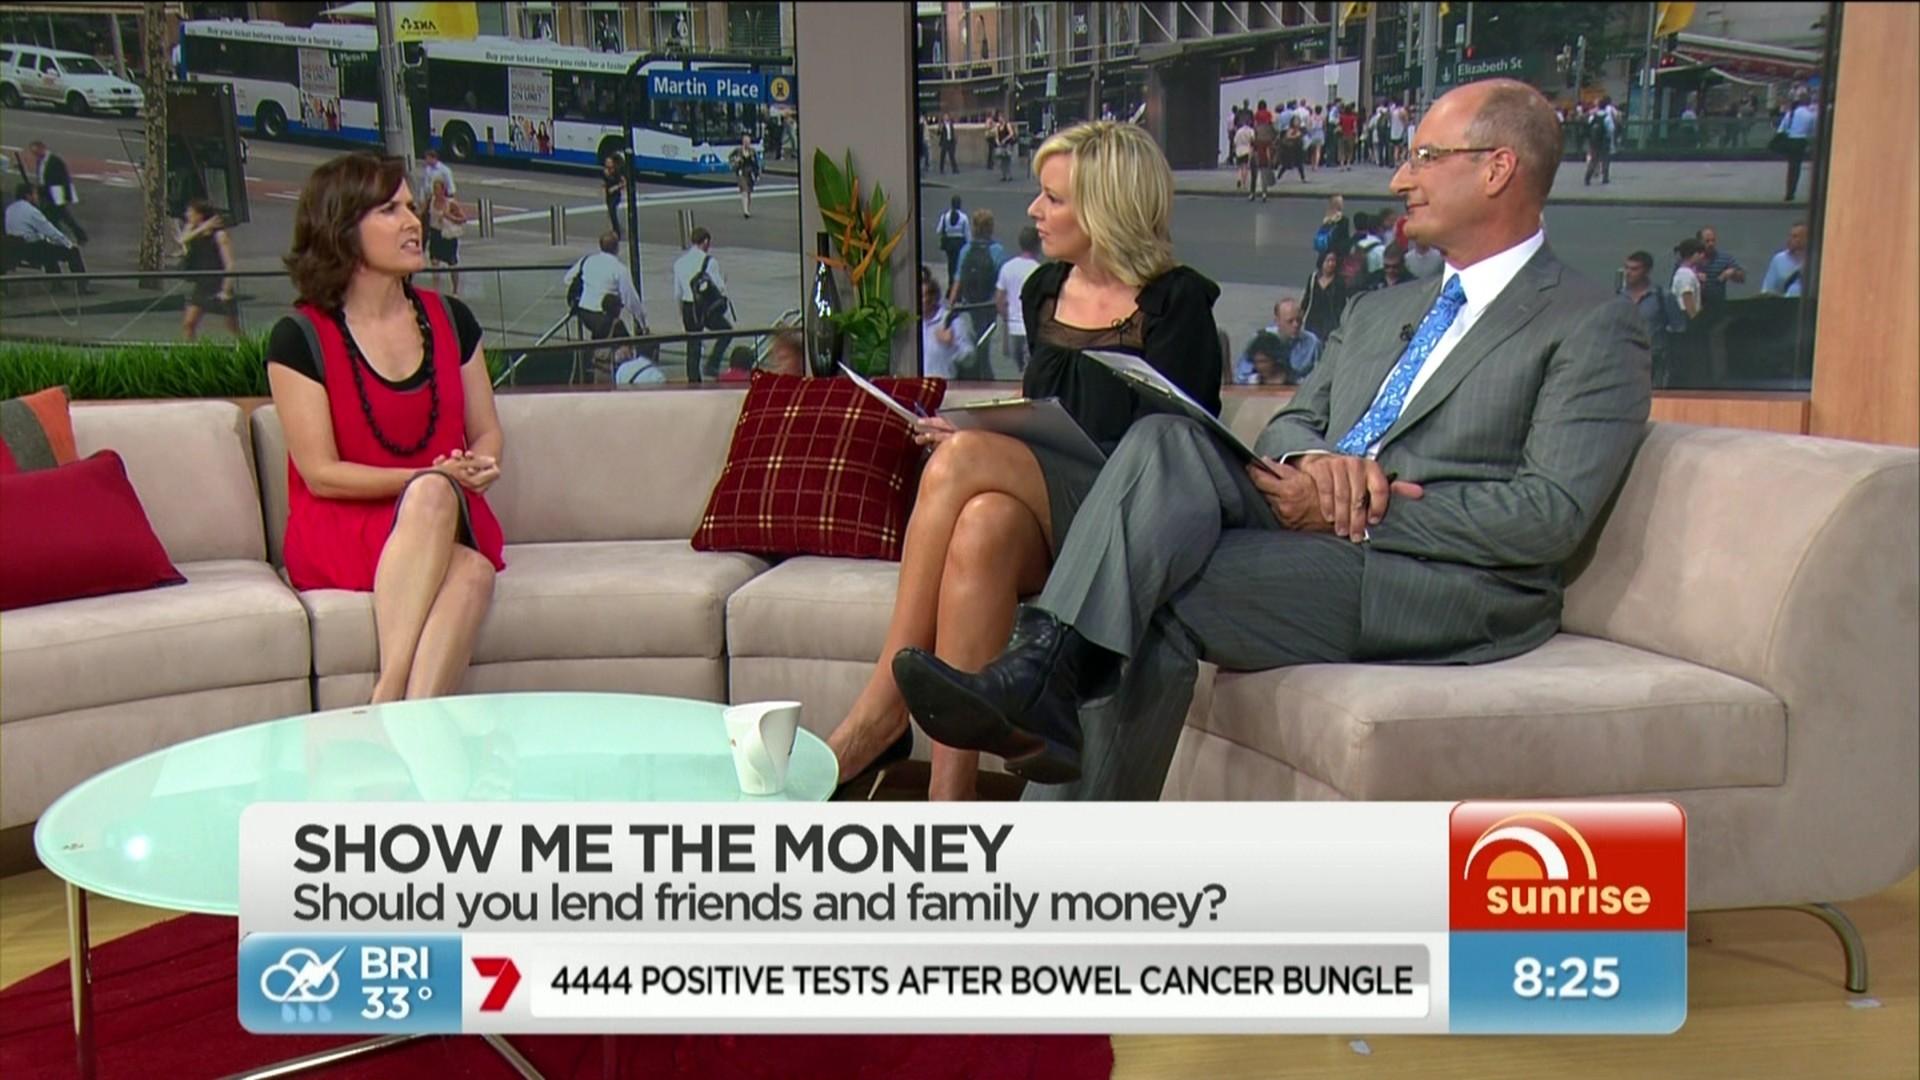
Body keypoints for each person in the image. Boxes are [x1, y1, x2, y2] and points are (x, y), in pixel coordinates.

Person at [891, 78, 1651, 799]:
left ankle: (1048, 770)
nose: (1400, 179)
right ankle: (1046, 684)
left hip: (1438, 578)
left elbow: (1549, 515)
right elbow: (1293, 421)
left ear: (1497, 169)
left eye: (1425, 157)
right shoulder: (1381, 310)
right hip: (1310, 537)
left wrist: (1360, 507)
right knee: (1166, 436)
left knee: (1145, 587)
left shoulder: (1588, 323)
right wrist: (1312, 462)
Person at [824, 120, 1222, 802]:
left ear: (1106, 207)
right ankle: (949, 805)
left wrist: (980, 449)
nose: (1034, 210)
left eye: (1053, 199)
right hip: (1049, 509)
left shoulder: (1178, 304)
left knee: (959, 463)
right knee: (981, 525)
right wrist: (989, 428)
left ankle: (885, 703)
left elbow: (1178, 459)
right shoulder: (1044, 290)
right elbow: (1051, 406)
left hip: (1125, 528)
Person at [266, 152, 505, 704]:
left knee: (473, 569)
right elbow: (321, 474)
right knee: (438, 508)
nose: (413, 222)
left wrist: (479, 464)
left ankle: (395, 716)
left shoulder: (451, 319)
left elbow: (487, 431)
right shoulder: (299, 337)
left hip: (448, 517)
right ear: (343, 229)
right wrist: (429, 479)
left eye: (411, 208)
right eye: (390, 210)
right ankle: (393, 686)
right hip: (345, 525)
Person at [949, 208, 1007, 376]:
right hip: (988, 306)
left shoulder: (965, 250)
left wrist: (952, 303)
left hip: (969, 306)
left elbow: (958, 278)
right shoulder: (997, 250)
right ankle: (984, 375)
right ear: (990, 227)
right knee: (984, 344)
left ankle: (977, 373)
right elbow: (1001, 282)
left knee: (974, 339)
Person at [565, 230, 647, 345]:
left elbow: (567, 278)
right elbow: (630, 299)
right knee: (624, 342)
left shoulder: (588, 260)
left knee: (601, 338)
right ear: (617, 247)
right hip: (604, 314)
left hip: (584, 311)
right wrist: (642, 321)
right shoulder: (619, 269)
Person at [673, 225, 732, 381]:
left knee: (693, 344)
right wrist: (724, 283)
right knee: (726, 332)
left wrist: (681, 315)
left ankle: (693, 379)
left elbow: (677, 293)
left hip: (688, 305)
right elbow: (718, 286)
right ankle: (712, 363)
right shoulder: (709, 261)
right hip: (705, 307)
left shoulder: (679, 263)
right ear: (705, 242)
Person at [1620, 249, 1684, 388]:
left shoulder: (1663, 296)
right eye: (1626, 268)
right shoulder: (1618, 297)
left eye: (1634, 269)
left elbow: (1678, 328)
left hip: (1654, 360)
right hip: (1624, 359)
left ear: (1647, 271)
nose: (1628, 273)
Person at [179, 199, 240, 340]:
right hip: (203, 284)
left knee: (233, 327)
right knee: (189, 324)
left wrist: (226, 290)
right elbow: (183, 240)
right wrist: (202, 227)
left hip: (218, 283)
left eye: (191, 212)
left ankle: (247, 349)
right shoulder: (194, 232)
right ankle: (190, 351)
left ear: (200, 215)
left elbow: (230, 264)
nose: (187, 215)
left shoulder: (220, 235)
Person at [4, 183, 88, 282]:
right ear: (28, 196)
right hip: (32, 249)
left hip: (16, 248)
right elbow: (50, 231)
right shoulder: (31, 211)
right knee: (73, 252)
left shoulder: (9, 209)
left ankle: (56, 282)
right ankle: (82, 284)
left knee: (49, 251)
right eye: (35, 194)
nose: (37, 197)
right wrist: (68, 244)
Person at [1233, 298, 1320, 385]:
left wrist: (1290, 381)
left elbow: (1320, 377)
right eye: (1290, 321)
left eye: (1299, 320)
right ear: (1277, 321)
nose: (1296, 325)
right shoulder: (1260, 339)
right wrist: (1261, 379)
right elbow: (1240, 376)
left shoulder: (1313, 342)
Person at [996, 225, 1044, 373]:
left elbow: (999, 299)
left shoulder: (1007, 267)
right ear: (1037, 245)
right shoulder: (1038, 270)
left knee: (1017, 369)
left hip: (1013, 327)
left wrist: (1007, 317)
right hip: (1031, 328)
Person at [23, 141, 87, 244]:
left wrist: (64, 195)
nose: (35, 155)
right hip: (47, 193)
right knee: (60, 217)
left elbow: (63, 178)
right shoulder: (40, 161)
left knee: (60, 217)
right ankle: (73, 236)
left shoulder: (55, 161)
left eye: (36, 152)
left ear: (42, 148)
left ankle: (72, 237)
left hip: (56, 194)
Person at [918, 268, 972, 379]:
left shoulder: (951, 321)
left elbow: (969, 357)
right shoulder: (912, 323)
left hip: (945, 385)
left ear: (933, 298)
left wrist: (952, 344)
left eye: (922, 296)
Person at [425, 177, 465, 297]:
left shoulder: (451, 203)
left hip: (448, 235)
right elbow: (424, 213)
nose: (435, 191)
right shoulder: (431, 201)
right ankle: (435, 289)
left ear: (443, 190)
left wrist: (449, 217)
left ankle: (455, 290)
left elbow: (463, 218)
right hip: (435, 233)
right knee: (434, 262)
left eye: (437, 188)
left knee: (452, 263)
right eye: (434, 188)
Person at [1776, 92, 1818, 201]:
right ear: (1808, 102)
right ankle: (1793, 190)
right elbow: (1813, 131)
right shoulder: (1811, 115)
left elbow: (1781, 128)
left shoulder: (1791, 113)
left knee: (1791, 166)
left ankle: (1789, 190)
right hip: (1801, 140)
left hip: (1791, 139)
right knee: (1797, 166)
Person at [1300, 250, 1348, 342]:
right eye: (1328, 261)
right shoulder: (1313, 278)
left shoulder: (1339, 281)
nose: (1331, 264)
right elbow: (1307, 299)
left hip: (1330, 323)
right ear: (1322, 261)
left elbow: (1342, 304)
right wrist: (1300, 315)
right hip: (1313, 321)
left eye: (1333, 261)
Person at [1694, 227, 1746, 309]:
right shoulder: (1689, 258)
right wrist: (1694, 276)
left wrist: (1733, 272)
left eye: (1713, 240)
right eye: (1707, 241)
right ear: (1699, 242)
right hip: (1694, 305)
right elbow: (1677, 280)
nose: (1711, 244)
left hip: (1718, 306)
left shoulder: (1724, 258)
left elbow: (1742, 278)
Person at [1759, 222, 1808, 298]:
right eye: (1790, 236)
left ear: (1806, 239)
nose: (1790, 240)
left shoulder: (1817, 260)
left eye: (1795, 237)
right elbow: (1768, 290)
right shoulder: (1779, 260)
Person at [934, 194, 971, 283]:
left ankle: (951, 282)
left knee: (951, 264)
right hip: (959, 243)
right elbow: (967, 233)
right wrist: (969, 245)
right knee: (958, 263)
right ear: (960, 204)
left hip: (949, 244)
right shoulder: (964, 217)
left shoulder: (945, 216)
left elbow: (938, 230)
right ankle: (957, 282)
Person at [1671, 237, 1707, 320]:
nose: (1703, 256)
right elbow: (1687, 297)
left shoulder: (1689, 272)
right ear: (1691, 254)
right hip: (1685, 316)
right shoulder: (1685, 273)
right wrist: (1694, 319)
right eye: (1699, 253)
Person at [729, 133, 761, 218]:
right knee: (744, 191)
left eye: (748, 142)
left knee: (749, 192)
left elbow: (756, 164)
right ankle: (745, 210)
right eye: (745, 142)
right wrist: (736, 160)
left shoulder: (752, 151)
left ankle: (748, 209)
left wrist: (757, 174)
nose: (747, 144)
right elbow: (730, 157)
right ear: (743, 142)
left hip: (750, 173)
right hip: (741, 172)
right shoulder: (738, 150)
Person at [601, 154, 628, 238]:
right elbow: (604, 183)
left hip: (615, 195)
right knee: (610, 212)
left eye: (609, 162)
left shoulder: (617, 172)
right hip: (608, 195)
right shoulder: (605, 172)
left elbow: (623, 183)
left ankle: (617, 231)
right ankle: (613, 229)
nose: (607, 164)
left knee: (613, 211)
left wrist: (616, 187)